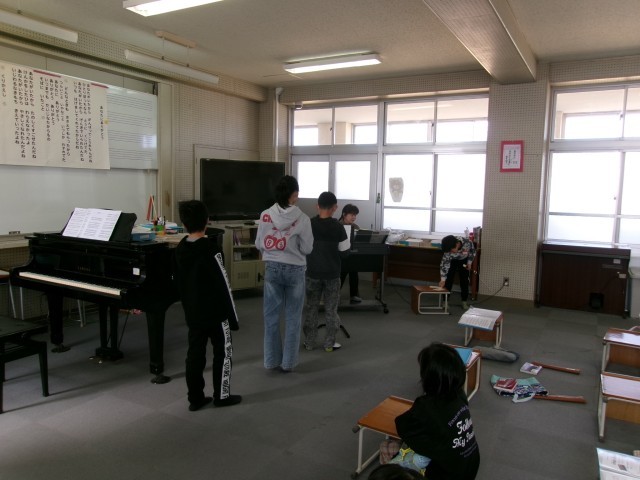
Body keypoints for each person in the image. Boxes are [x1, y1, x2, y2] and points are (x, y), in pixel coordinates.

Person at [173, 200, 242, 411]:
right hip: (216, 314)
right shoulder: (212, 250)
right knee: (223, 352)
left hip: (193, 313)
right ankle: (221, 395)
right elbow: (224, 285)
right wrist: (233, 319)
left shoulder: (180, 248)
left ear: (184, 224)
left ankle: (195, 398)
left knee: (195, 354)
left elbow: (179, 283)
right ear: (207, 221)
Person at [387, 342, 480, 479]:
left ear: (428, 379)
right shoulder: (460, 395)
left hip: (447, 475)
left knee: (391, 458)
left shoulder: (426, 406)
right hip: (470, 466)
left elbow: (402, 425)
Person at [255, 175, 314, 372]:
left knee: (271, 317)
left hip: (272, 267)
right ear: (294, 194)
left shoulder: (265, 215)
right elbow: (307, 248)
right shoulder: (303, 218)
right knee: (293, 318)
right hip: (295, 269)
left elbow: (259, 243)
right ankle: (288, 363)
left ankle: (271, 361)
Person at [303, 191, 350, 352]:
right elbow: (345, 252)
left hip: (312, 273)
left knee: (311, 308)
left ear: (317, 206)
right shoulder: (338, 227)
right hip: (332, 274)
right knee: (331, 309)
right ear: (335, 208)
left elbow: (302, 247)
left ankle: (309, 342)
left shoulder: (308, 224)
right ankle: (329, 343)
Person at [439, 234, 476, 310]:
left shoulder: (467, 242)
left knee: (464, 280)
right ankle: (445, 301)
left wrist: (469, 263)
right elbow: (444, 265)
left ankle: (464, 301)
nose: (451, 252)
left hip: (463, 261)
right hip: (452, 261)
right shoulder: (448, 250)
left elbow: (472, 252)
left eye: (451, 250)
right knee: (448, 280)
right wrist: (443, 280)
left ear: (457, 244)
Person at [339, 203, 362, 304]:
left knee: (354, 270)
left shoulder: (355, 227)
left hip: (352, 255)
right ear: (344, 214)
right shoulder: (338, 225)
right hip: (340, 256)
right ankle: (334, 294)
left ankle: (354, 295)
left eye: (355, 215)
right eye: (352, 215)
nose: (354, 217)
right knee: (341, 273)